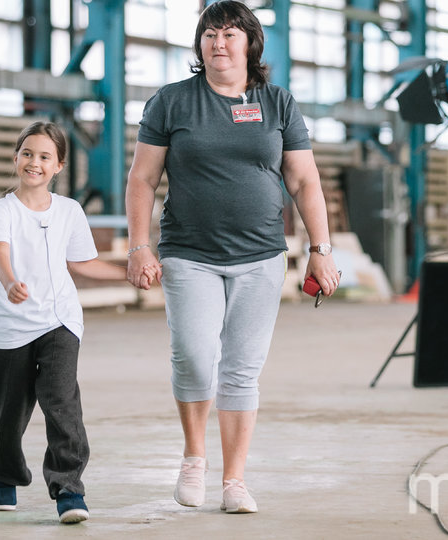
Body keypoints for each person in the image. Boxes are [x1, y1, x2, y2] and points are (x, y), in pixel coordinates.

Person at [125, 0, 340, 515]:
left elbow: (304, 181)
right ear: (199, 44)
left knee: (242, 370)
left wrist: (320, 250)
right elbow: (142, 179)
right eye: (209, 34)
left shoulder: (277, 102)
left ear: (250, 43)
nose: (218, 42)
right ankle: (193, 458)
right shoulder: (172, 102)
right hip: (189, 253)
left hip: (261, 257)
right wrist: (139, 245)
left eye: (229, 33)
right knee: (194, 356)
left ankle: (234, 480)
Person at [0, 121, 155, 524]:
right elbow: (0, 252)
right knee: (7, 408)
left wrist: (129, 273)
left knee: (61, 401)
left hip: (60, 321)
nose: (34, 162)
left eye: (45, 156)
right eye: (27, 153)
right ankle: (4, 477)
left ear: (58, 166)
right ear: (16, 158)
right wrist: (10, 282)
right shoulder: (4, 209)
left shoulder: (69, 211)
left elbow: (82, 263)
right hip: (12, 325)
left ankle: (69, 489)